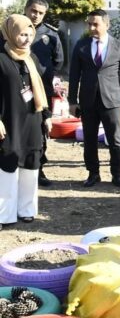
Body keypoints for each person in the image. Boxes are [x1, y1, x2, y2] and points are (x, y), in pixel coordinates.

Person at [68, 9, 120, 188]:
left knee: (115, 140)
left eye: (95, 24)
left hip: (111, 101)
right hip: (88, 101)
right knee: (89, 139)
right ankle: (93, 173)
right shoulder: (81, 45)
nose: (92, 27)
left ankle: (117, 174)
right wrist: (72, 101)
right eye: (89, 24)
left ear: (106, 24)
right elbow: (73, 76)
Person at [0, 14, 48, 230]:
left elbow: (40, 89)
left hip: (32, 119)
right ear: (10, 34)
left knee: (31, 163)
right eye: (21, 34)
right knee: (7, 166)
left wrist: (46, 117)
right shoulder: (1, 58)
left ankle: (26, 210)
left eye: (29, 34)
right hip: (8, 120)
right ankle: (4, 214)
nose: (27, 39)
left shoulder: (32, 58)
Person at [23, 0, 62, 187]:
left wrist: (46, 77)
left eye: (40, 13)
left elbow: (58, 60)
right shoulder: (11, 28)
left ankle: (38, 168)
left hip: (42, 89)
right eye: (33, 10)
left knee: (41, 128)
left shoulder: (51, 34)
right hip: (17, 88)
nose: (36, 15)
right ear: (26, 9)